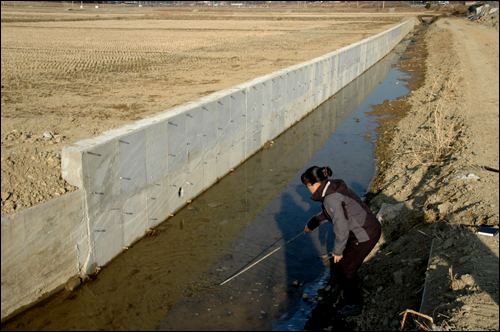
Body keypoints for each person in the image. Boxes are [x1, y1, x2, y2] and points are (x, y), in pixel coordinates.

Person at [301, 166, 381, 318]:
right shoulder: (332, 187)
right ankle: (338, 284)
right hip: (364, 228)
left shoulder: (331, 198)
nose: (307, 189)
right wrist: (313, 223)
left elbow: (341, 228)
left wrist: (337, 251)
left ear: (314, 184)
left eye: (307, 186)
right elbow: (330, 213)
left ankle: (354, 303)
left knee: (347, 268)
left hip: (365, 234)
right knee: (340, 261)